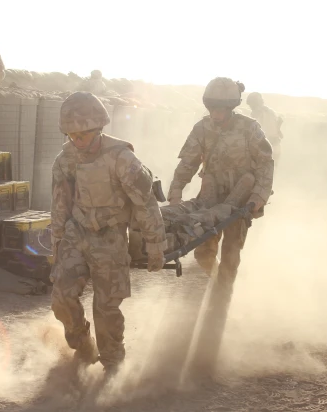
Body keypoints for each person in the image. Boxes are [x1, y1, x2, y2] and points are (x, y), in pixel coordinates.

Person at [50, 91, 167, 376]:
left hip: (111, 235)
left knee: (106, 308)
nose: (77, 142)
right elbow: (59, 204)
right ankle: (82, 345)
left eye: (83, 135)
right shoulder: (65, 159)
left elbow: (145, 203)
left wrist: (155, 245)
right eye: (71, 136)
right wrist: (56, 245)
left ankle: (113, 364)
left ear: (98, 128)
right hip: (77, 232)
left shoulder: (122, 158)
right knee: (61, 298)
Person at [167, 77, 274, 371]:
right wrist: (176, 192)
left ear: (232, 107)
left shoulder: (250, 129)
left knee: (230, 258)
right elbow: (188, 161)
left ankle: (220, 311)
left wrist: (258, 197)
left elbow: (265, 164)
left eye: (221, 108)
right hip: (210, 200)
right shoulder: (202, 128)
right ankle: (217, 284)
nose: (216, 113)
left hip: (241, 202)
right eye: (211, 107)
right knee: (203, 253)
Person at [245, 92, 284, 161]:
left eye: (251, 104)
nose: (250, 107)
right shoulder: (270, 111)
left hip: (265, 148)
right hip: (274, 146)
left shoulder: (258, 114)